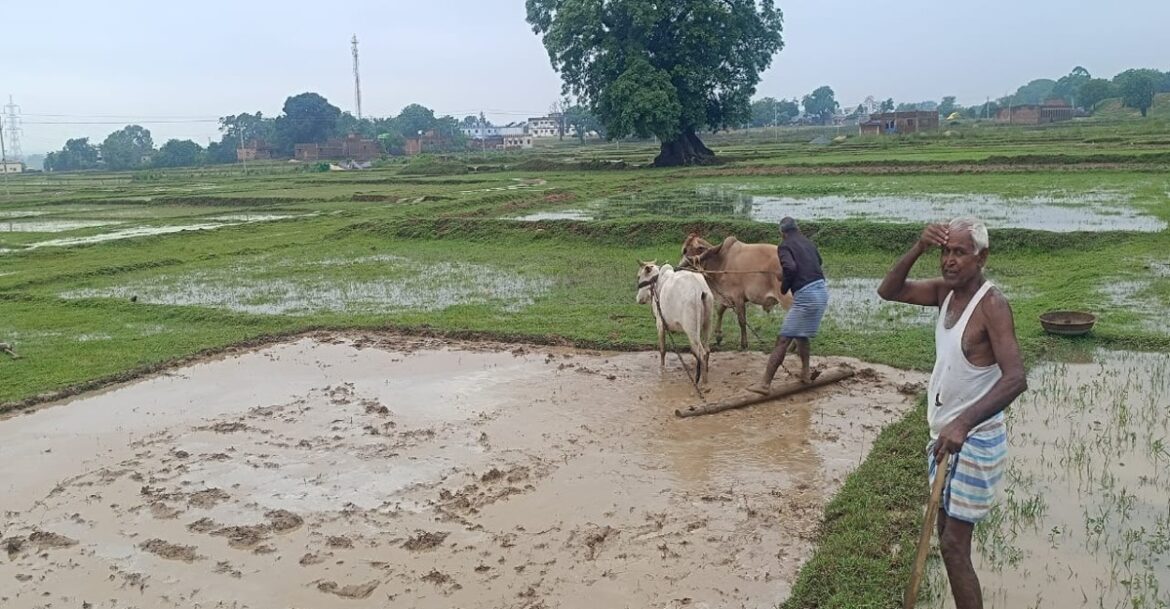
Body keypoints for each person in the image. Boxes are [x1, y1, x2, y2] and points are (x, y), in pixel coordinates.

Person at [876, 217, 1028, 609]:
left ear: (982, 257)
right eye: (945, 251)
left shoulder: (992, 306)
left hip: (974, 439)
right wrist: (918, 247)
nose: (949, 261)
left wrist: (963, 422)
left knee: (954, 546)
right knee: (946, 536)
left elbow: (1015, 378)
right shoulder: (944, 294)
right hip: (944, 438)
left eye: (959, 252)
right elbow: (888, 290)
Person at [747, 217, 828, 394]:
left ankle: (764, 384)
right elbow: (818, 262)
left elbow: (790, 268)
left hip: (806, 296)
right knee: (801, 334)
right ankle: (805, 374)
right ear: (797, 228)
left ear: (782, 233)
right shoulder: (808, 243)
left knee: (783, 339)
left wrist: (782, 280)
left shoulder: (784, 246)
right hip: (821, 292)